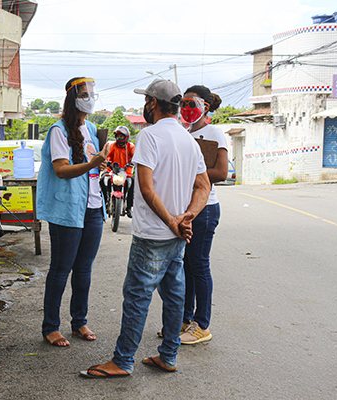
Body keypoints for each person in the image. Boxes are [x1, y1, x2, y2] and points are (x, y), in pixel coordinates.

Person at [81, 79, 210, 378]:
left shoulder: (149, 137)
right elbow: (204, 186)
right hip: (177, 235)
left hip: (153, 234)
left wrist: (173, 221)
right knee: (175, 295)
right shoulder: (188, 139)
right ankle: (169, 355)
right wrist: (186, 217)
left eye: (146, 101)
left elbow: (147, 190)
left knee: (137, 297)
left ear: (152, 103)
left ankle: (123, 361)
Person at [36, 77, 109, 347]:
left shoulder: (90, 127)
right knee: (60, 269)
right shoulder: (58, 130)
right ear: (73, 98)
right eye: (85, 93)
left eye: (92, 92)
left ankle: (79, 321)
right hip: (67, 208)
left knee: (84, 270)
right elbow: (61, 169)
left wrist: (97, 165)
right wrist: (92, 163)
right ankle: (50, 327)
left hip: (92, 207)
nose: (90, 97)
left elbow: (89, 168)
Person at [177, 85, 228, 345]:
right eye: (183, 104)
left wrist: (190, 174)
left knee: (198, 265)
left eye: (191, 104)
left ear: (205, 107)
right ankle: (185, 321)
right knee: (186, 266)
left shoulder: (214, 132)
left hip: (205, 209)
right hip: (187, 208)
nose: (186, 109)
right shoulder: (184, 132)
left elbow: (221, 173)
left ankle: (203, 325)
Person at [103, 126, 135, 217]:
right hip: (112, 170)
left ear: (126, 136)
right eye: (117, 136)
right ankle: (104, 202)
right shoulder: (112, 146)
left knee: (132, 182)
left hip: (126, 172)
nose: (119, 138)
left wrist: (134, 161)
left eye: (121, 136)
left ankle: (129, 207)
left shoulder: (130, 146)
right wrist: (105, 160)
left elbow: (135, 156)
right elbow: (105, 155)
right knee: (102, 180)